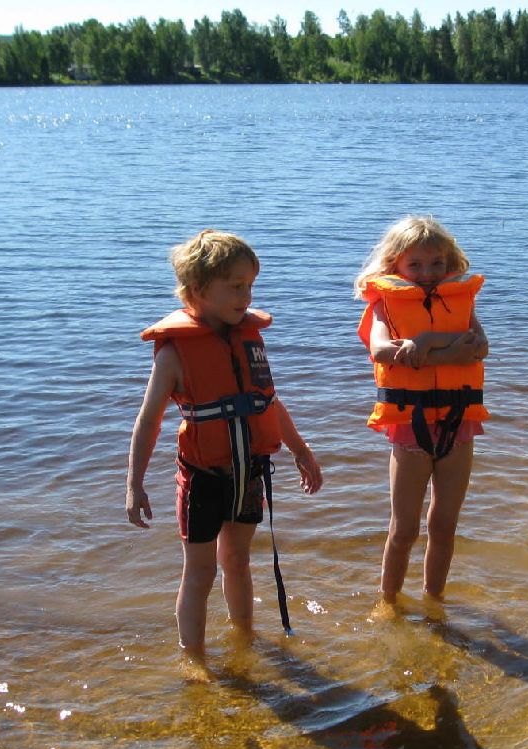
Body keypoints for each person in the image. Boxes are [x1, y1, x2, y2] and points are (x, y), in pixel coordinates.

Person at [126, 230, 322, 664]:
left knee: (237, 561)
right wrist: (135, 483)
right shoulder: (174, 354)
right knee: (200, 571)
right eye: (235, 286)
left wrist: (301, 451)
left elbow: (267, 402)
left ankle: (245, 641)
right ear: (197, 290)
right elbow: (149, 419)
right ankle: (194, 660)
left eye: (250, 286)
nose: (246, 296)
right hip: (204, 477)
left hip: (250, 472)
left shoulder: (248, 337)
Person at [355, 215, 488, 613]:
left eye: (437, 265)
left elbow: (478, 346)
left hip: (458, 422)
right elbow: (381, 351)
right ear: (394, 265)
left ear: (451, 265)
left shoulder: (461, 301)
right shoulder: (385, 305)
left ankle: (434, 601)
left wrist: (426, 341)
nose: (427, 274)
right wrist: (450, 350)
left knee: (444, 525)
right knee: (404, 528)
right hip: (410, 426)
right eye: (415, 265)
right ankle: (388, 602)